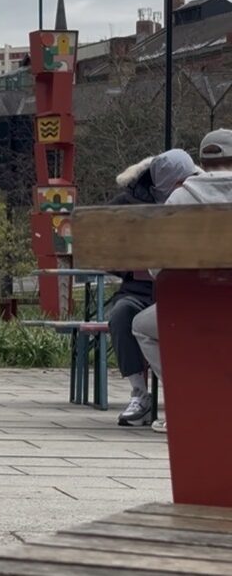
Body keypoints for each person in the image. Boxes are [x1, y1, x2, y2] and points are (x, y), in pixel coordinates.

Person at [133, 129, 232, 433]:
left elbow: (156, 265)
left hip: (194, 306)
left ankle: (191, 401)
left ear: (201, 161)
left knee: (142, 326)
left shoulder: (180, 196)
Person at [107, 149, 200, 426]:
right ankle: (140, 394)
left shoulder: (197, 196)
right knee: (122, 315)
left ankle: (185, 396)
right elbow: (106, 248)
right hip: (140, 290)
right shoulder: (127, 203)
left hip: (183, 290)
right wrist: (133, 266)